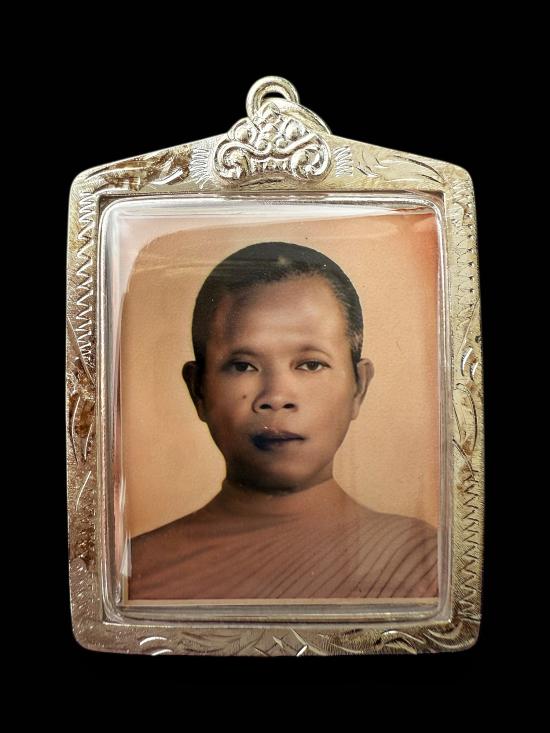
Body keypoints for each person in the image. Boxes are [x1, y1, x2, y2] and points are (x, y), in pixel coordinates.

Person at [129, 242, 438, 600]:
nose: (276, 397)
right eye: (243, 366)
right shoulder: (136, 572)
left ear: (359, 386)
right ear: (198, 389)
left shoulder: (421, 562)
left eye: (310, 364)